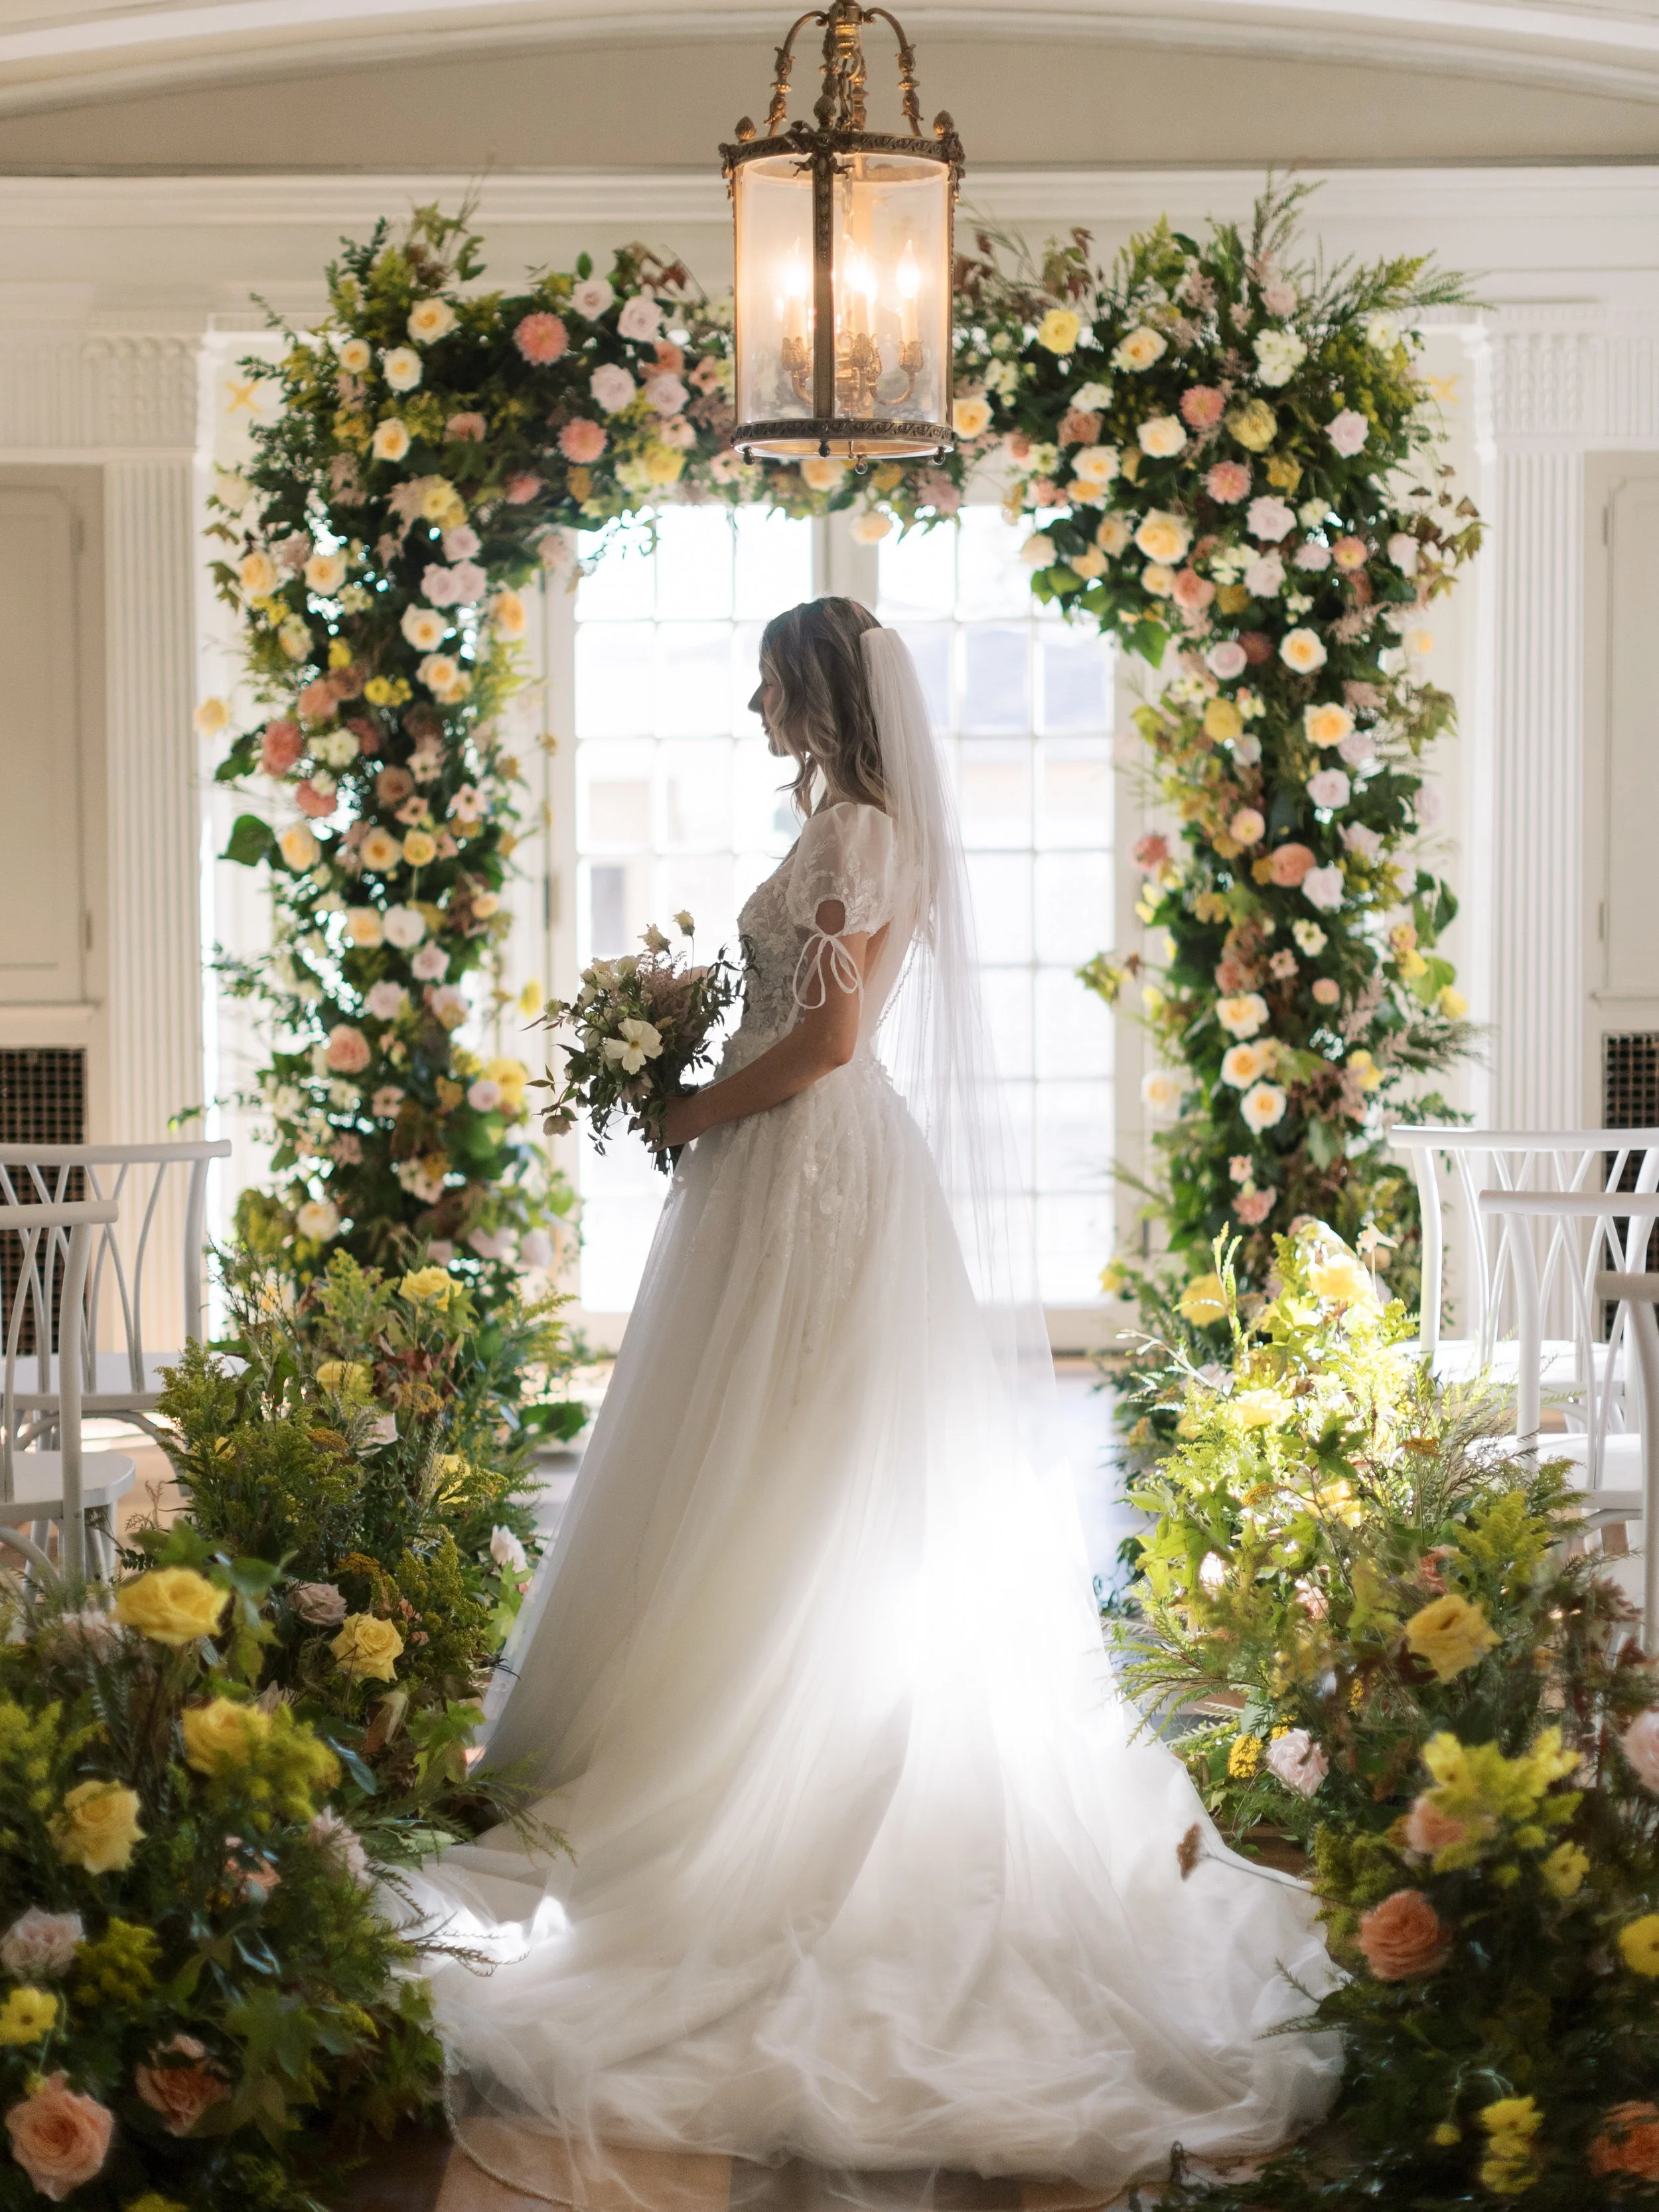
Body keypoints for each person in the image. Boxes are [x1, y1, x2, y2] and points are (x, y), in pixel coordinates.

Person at [404, 600, 1338, 2210]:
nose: (749, 692)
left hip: (807, 1163)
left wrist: (694, 1093)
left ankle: (784, 1739)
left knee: (802, 1456)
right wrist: (679, 1038)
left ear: (816, 689)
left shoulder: (854, 823)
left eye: (765, 672)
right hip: (796, 1168)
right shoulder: (850, 823)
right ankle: (725, 1703)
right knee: (764, 1454)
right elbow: (802, 1002)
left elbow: (829, 1035)